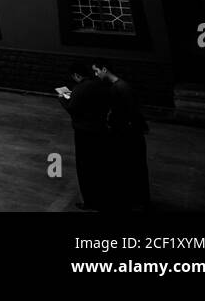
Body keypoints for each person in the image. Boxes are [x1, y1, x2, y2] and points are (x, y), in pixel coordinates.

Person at [92, 59, 150, 209]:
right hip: (129, 132)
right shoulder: (122, 86)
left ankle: (133, 200)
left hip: (126, 134)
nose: (96, 74)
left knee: (129, 166)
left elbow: (129, 112)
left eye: (97, 71)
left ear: (104, 69)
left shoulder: (119, 88)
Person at [59, 62, 112, 211]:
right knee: (99, 164)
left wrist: (62, 98)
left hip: (84, 132)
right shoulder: (101, 85)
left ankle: (90, 201)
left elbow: (72, 108)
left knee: (85, 166)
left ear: (77, 75)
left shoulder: (79, 88)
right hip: (100, 128)